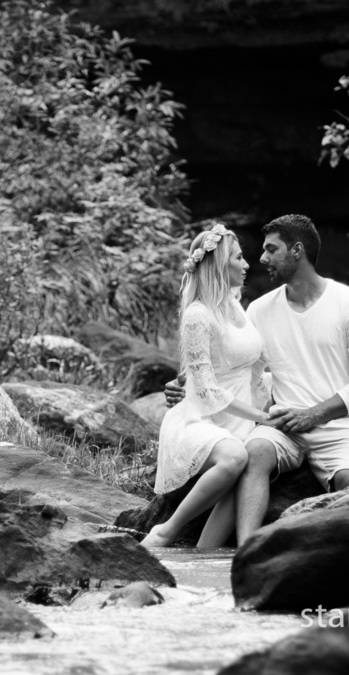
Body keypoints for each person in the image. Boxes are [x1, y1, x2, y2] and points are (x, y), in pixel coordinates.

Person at [163, 214, 349, 545]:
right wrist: (190, 384)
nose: (261, 259)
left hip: (340, 426)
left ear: (297, 250)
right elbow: (244, 369)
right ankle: (249, 553)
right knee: (253, 452)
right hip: (282, 425)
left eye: (271, 249)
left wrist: (313, 414)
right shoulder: (260, 310)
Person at [140, 224, 274, 549]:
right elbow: (206, 390)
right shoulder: (198, 315)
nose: (247, 265)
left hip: (240, 418)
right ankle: (166, 531)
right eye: (239, 258)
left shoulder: (237, 305)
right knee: (233, 457)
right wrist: (261, 415)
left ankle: (203, 560)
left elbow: (258, 366)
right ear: (219, 265)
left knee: (241, 472)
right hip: (201, 419)